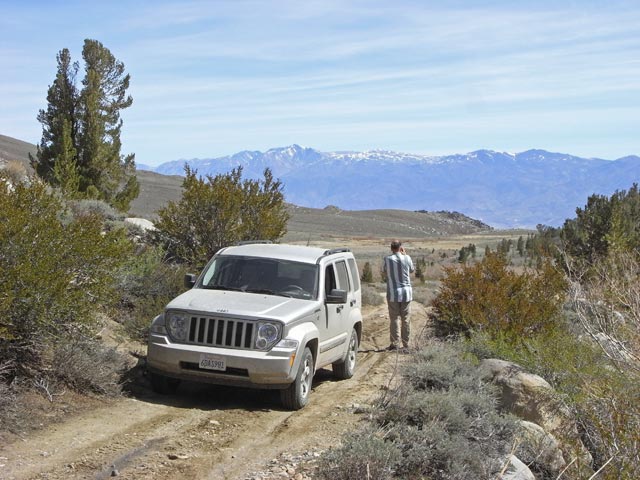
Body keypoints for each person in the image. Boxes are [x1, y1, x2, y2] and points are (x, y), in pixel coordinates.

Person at [383, 240, 415, 351]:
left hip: (393, 293)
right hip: (406, 292)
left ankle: (395, 343)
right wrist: (405, 254)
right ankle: (406, 344)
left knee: (394, 318)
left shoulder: (387, 259)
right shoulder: (407, 258)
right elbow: (411, 270)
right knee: (405, 319)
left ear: (391, 248)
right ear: (400, 247)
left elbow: (384, 271)